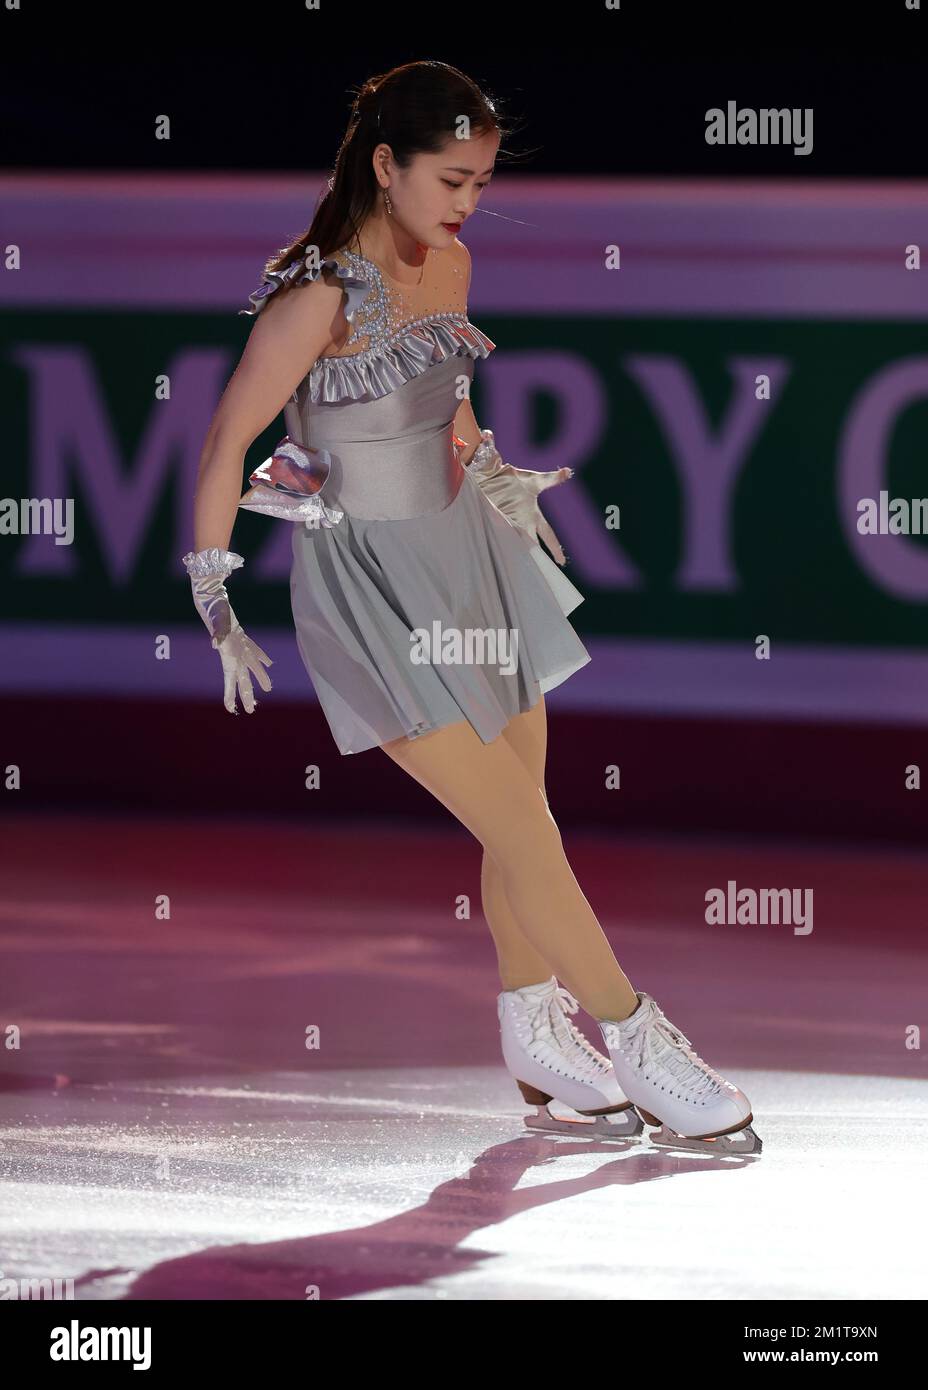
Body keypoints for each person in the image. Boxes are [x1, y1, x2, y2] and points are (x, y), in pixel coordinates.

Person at [182, 60, 760, 1155]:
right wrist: (215, 600)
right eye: (451, 178)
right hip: (366, 591)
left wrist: (492, 472)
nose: (466, 201)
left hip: (470, 561)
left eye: (482, 182)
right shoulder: (312, 297)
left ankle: (534, 1032)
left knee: (522, 814)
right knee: (521, 824)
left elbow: (447, 405)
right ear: (386, 164)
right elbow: (227, 444)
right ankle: (639, 1037)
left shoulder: (448, 265)